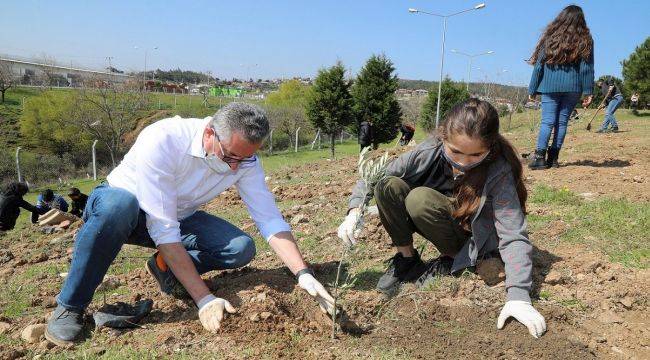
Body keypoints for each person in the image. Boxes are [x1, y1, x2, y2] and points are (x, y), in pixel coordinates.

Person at [45, 103, 335, 346]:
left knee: (240, 248)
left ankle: (165, 268)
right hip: (121, 207)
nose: (236, 166)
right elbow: (163, 228)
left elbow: (269, 217)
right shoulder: (165, 138)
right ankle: (70, 305)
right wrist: (204, 298)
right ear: (210, 133)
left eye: (245, 159)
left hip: (176, 215)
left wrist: (303, 273)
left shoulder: (244, 160)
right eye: (231, 156)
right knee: (120, 207)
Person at [337, 99, 546, 339]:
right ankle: (407, 260)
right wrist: (354, 210)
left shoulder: (499, 170)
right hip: (439, 218)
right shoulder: (430, 150)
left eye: (476, 154)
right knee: (387, 185)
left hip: (472, 240)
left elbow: (513, 234)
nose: (463, 162)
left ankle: (450, 260)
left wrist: (519, 296)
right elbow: (374, 178)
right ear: (443, 137)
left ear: (490, 146)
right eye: (455, 151)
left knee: (420, 199)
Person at [527, 5, 595, 170]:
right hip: (573, 87)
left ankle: (539, 158)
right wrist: (588, 91)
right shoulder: (586, 39)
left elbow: (539, 66)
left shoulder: (550, 37)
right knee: (562, 122)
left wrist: (532, 89)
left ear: (561, 18)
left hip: (550, 87)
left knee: (547, 122)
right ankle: (554, 159)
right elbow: (586, 68)